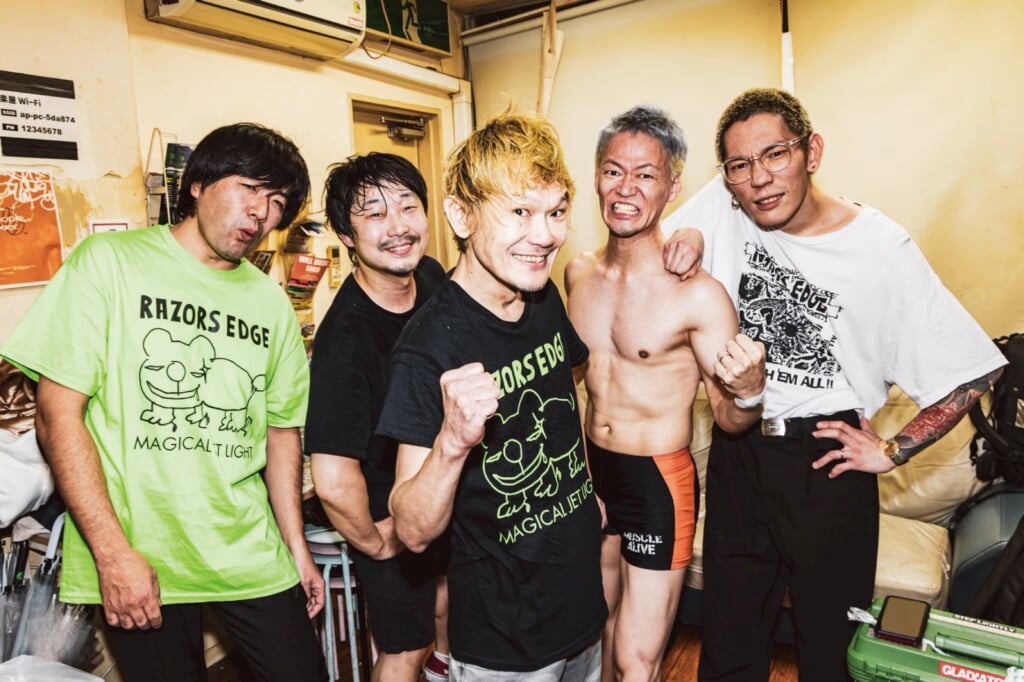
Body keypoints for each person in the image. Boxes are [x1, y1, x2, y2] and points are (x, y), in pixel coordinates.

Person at [661, 88, 1007, 681]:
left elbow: (972, 372)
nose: (759, 178)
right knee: (727, 640)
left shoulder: (881, 247)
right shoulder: (725, 199)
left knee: (832, 648)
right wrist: (686, 236)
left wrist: (892, 450)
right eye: (740, 165)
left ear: (812, 151)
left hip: (825, 458)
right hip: (740, 451)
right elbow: (660, 246)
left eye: (776, 155)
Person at [0, 123, 328, 682]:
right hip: (140, 550)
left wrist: (296, 547)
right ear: (197, 183)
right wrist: (111, 554)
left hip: (246, 547)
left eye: (277, 203)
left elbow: (280, 432)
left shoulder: (270, 303)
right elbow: (58, 416)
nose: (261, 213)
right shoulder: (108, 262)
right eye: (250, 188)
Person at [377, 110, 607, 680]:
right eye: (520, 212)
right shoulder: (427, 348)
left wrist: (584, 491)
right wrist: (453, 442)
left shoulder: (540, 295)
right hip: (507, 638)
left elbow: (566, 392)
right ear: (461, 215)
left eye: (556, 212)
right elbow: (410, 528)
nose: (545, 235)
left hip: (579, 602)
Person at [564, 105, 766, 682]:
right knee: (594, 636)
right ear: (596, 177)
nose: (625, 188)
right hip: (588, 472)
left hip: (656, 483)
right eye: (613, 171)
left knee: (637, 659)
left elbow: (729, 418)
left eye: (645, 174)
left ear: (672, 188)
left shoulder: (698, 295)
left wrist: (750, 394)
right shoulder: (577, 273)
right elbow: (569, 389)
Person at [302, 152, 450, 682]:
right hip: (389, 514)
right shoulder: (345, 343)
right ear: (346, 234)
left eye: (409, 206)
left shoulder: (430, 277)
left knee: (447, 616)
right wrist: (375, 541)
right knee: (405, 649)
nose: (398, 227)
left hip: (441, 492)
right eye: (375, 214)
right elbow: (332, 480)